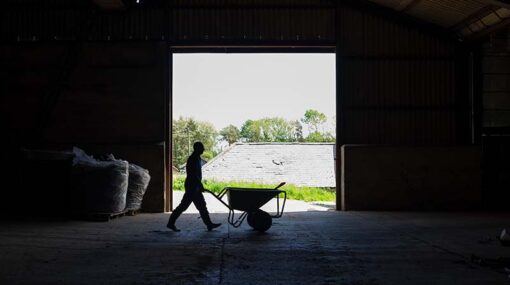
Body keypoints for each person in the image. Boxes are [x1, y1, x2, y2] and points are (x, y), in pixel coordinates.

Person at [167, 142, 221, 232]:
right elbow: (193, 174)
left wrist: (199, 186)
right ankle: (170, 223)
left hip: (194, 186)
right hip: (192, 186)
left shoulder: (196, 158)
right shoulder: (193, 159)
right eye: (202, 147)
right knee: (184, 206)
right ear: (197, 148)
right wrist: (200, 185)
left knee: (201, 206)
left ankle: (209, 224)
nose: (203, 149)